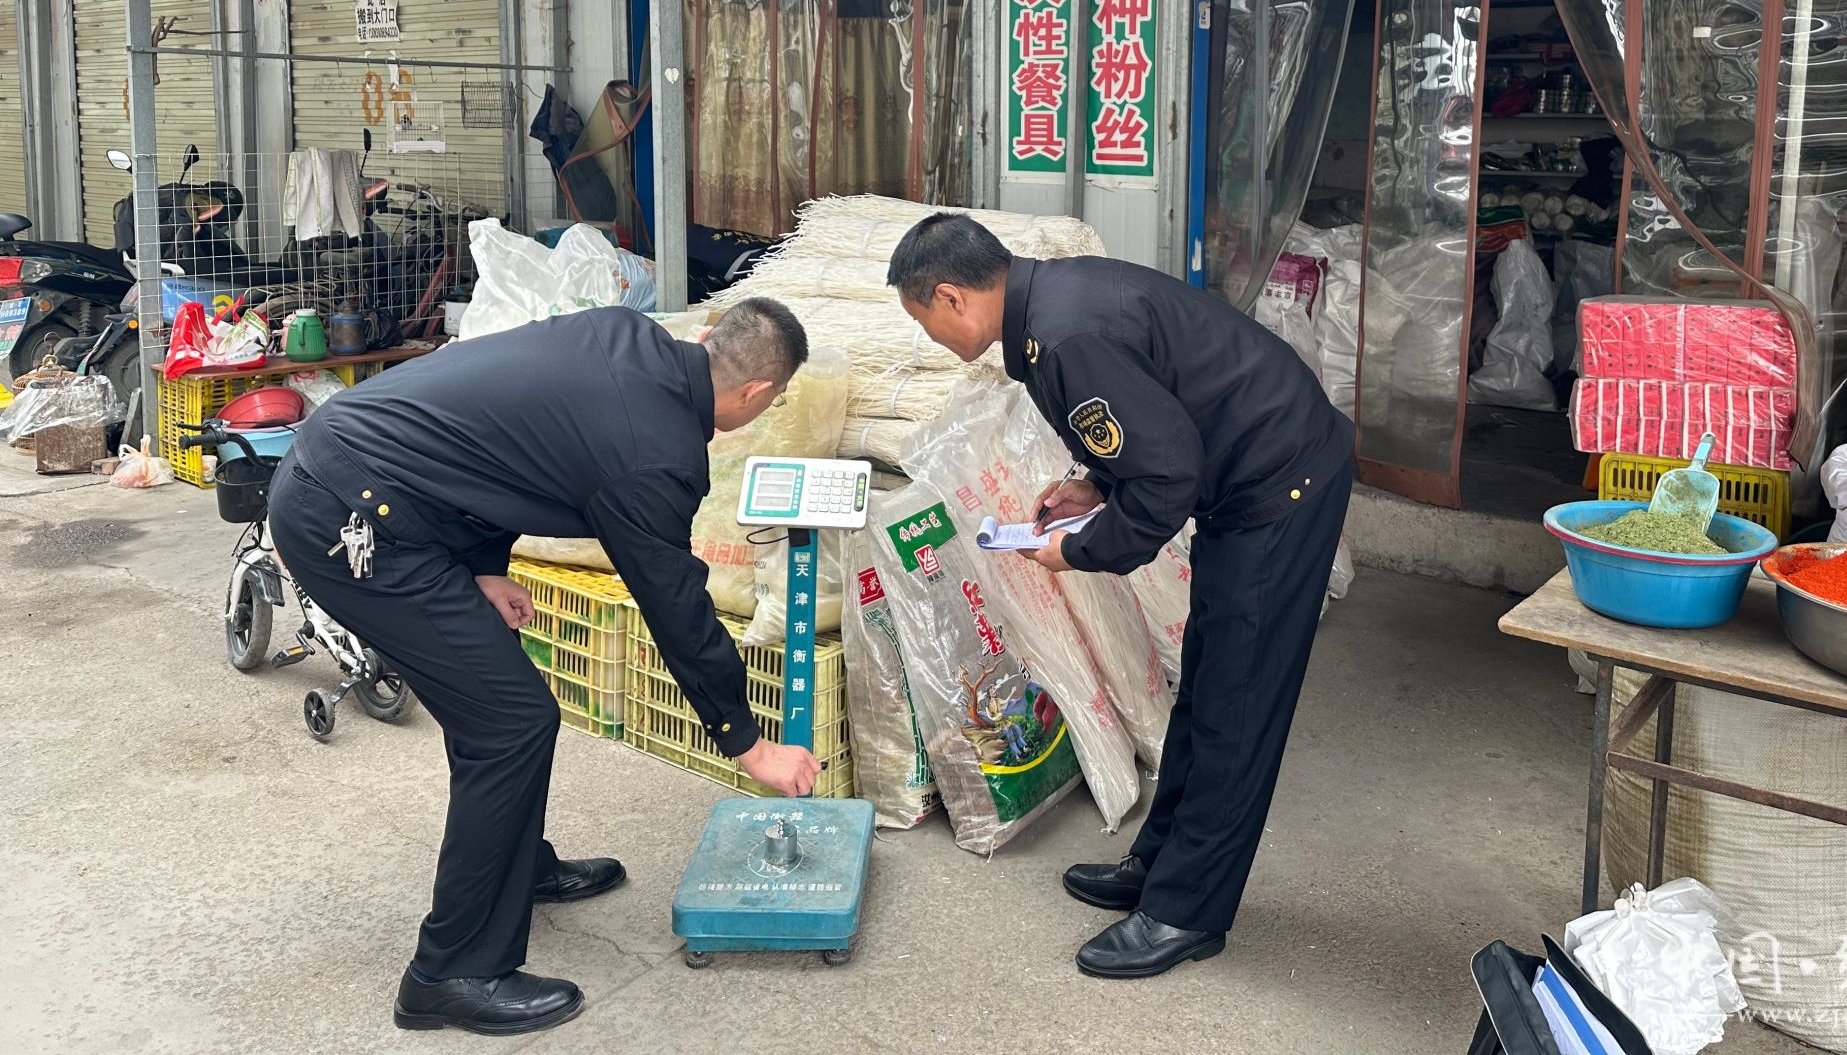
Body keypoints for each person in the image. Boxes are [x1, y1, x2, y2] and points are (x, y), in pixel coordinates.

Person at [266, 301, 821, 1036]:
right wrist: (747, 742)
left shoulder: (620, 334)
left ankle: (515, 868)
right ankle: (449, 973)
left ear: (704, 336)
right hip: (351, 519)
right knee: (509, 723)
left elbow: (504, 443)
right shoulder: (655, 453)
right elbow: (678, 609)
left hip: (358, 472)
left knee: (502, 714)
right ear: (755, 394)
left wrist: (482, 570)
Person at [886, 214, 1355, 980]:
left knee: (1237, 707)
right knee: (1207, 687)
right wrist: (1094, 485)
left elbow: (1168, 476)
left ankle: (1187, 911)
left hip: (1279, 482)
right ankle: (1159, 865)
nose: (928, 337)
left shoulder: (1065, 336)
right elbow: (1149, 421)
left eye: (922, 320)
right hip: (1247, 475)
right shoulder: (1047, 312)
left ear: (950, 297)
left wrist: (1078, 550)